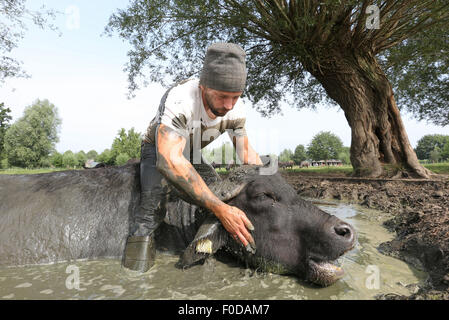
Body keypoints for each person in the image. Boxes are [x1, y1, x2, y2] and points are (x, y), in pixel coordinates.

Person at [122, 42, 263, 272]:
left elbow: (246, 154)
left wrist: (271, 184)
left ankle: (206, 250)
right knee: (152, 209)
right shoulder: (180, 99)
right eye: (222, 96)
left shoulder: (237, 110)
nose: (228, 105)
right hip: (159, 150)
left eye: (235, 97)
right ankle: (135, 274)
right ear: (204, 86)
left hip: (192, 153)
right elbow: (171, 161)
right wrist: (220, 209)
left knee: (219, 192)